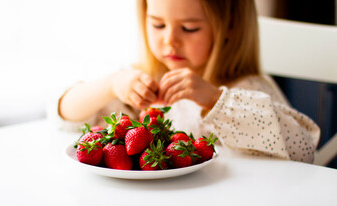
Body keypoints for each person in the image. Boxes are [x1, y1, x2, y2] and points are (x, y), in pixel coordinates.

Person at [54, 0, 320, 163]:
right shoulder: (148, 80)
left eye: (189, 28)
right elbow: (64, 116)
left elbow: (303, 149)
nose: (170, 40)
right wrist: (112, 83)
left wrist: (214, 99)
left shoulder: (247, 89)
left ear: (230, 26)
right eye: (158, 25)